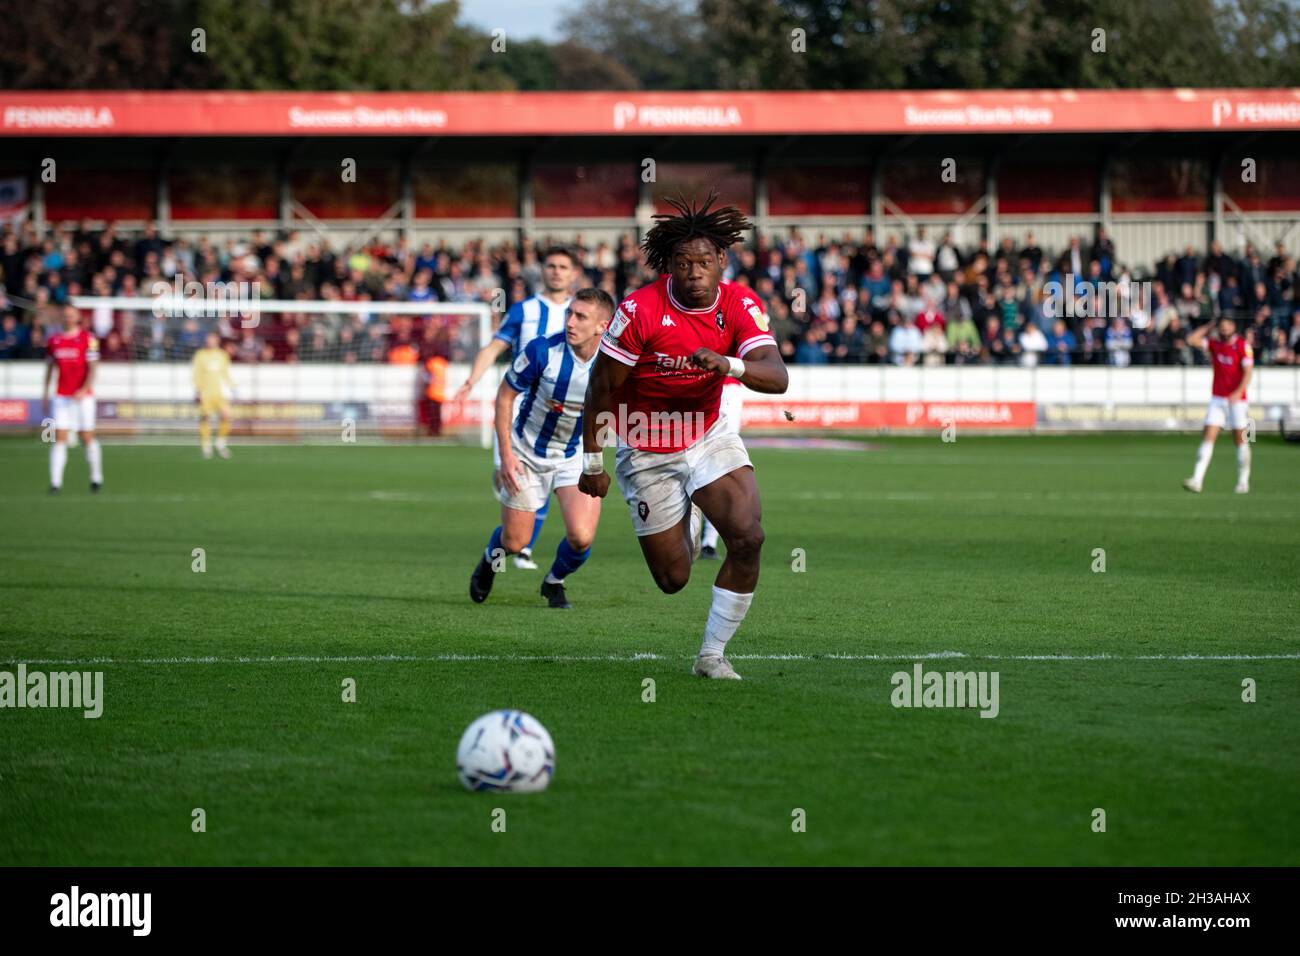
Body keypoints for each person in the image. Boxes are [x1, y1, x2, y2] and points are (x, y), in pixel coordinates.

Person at [578, 192, 787, 681]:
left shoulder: (740, 303)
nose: (694, 271)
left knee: (748, 538)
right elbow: (600, 388)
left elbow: (777, 377)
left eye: (703, 262)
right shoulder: (639, 311)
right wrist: (592, 464)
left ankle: (712, 654)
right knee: (673, 579)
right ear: (668, 266)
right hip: (646, 444)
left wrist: (730, 365)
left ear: (721, 261)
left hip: (708, 435)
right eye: (683, 263)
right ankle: (685, 514)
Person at [470, 288, 614, 609]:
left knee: (581, 537)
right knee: (514, 541)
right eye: (569, 313)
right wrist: (506, 455)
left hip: (574, 456)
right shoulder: (542, 350)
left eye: (580, 316)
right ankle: (489, 561)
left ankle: (554, 582)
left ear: (602, 326)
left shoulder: (613, 363)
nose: (570, 321)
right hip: (526, 455)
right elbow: (505, 396)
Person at [454, 247, 577, 569]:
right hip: (517, 409)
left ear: (573, 273)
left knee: (549, 480)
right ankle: (509, 545)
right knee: (506, 481)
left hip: (560, 415)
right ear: (543, 271)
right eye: (551, 266)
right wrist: (471, 380)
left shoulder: (582, 313)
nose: (556, 272)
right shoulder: (524, 310)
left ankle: (523, 549)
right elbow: (494, 346)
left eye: (563, 267)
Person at [1183, 315, 1253, 494]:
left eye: (1228, 325)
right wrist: (1209, 324)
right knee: (1208, 436)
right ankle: (1197, 480)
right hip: (1217, 399)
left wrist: (1238, 392)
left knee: (1241, 440)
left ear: (1234, 327)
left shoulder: (1243, 346)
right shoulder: (1215, 344)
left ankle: (1243, 481)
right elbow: (1192, 339)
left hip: (1238, 402)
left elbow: (1248, 372)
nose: (1224, 329)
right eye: (1221, 326)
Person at [43, 305, 103, 493]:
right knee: (58, 437)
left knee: (86, 437)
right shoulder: (54, 341)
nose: (68, 318)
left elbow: (93, 368)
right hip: (62, 396)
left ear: (77, 317)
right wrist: (45, 393)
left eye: (71, 315)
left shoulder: (88, 339)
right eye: (65, 315)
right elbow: (50, 369)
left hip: (83, 398)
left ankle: (96, 476)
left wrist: (84, 389)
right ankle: (55, 483)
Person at [192, 330, 234, 458]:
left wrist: (233, 387)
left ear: (217, 340)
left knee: (226, 416)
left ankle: (221, 443)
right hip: (206, 393)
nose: (210, 341)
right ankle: (206, 446)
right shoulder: (200, 355)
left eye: (213, 339)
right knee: (205, 418)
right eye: (208, 339)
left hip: (220, 393)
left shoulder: (222, 355)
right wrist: (198, 391)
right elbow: (196, 374)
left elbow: (226, 374)